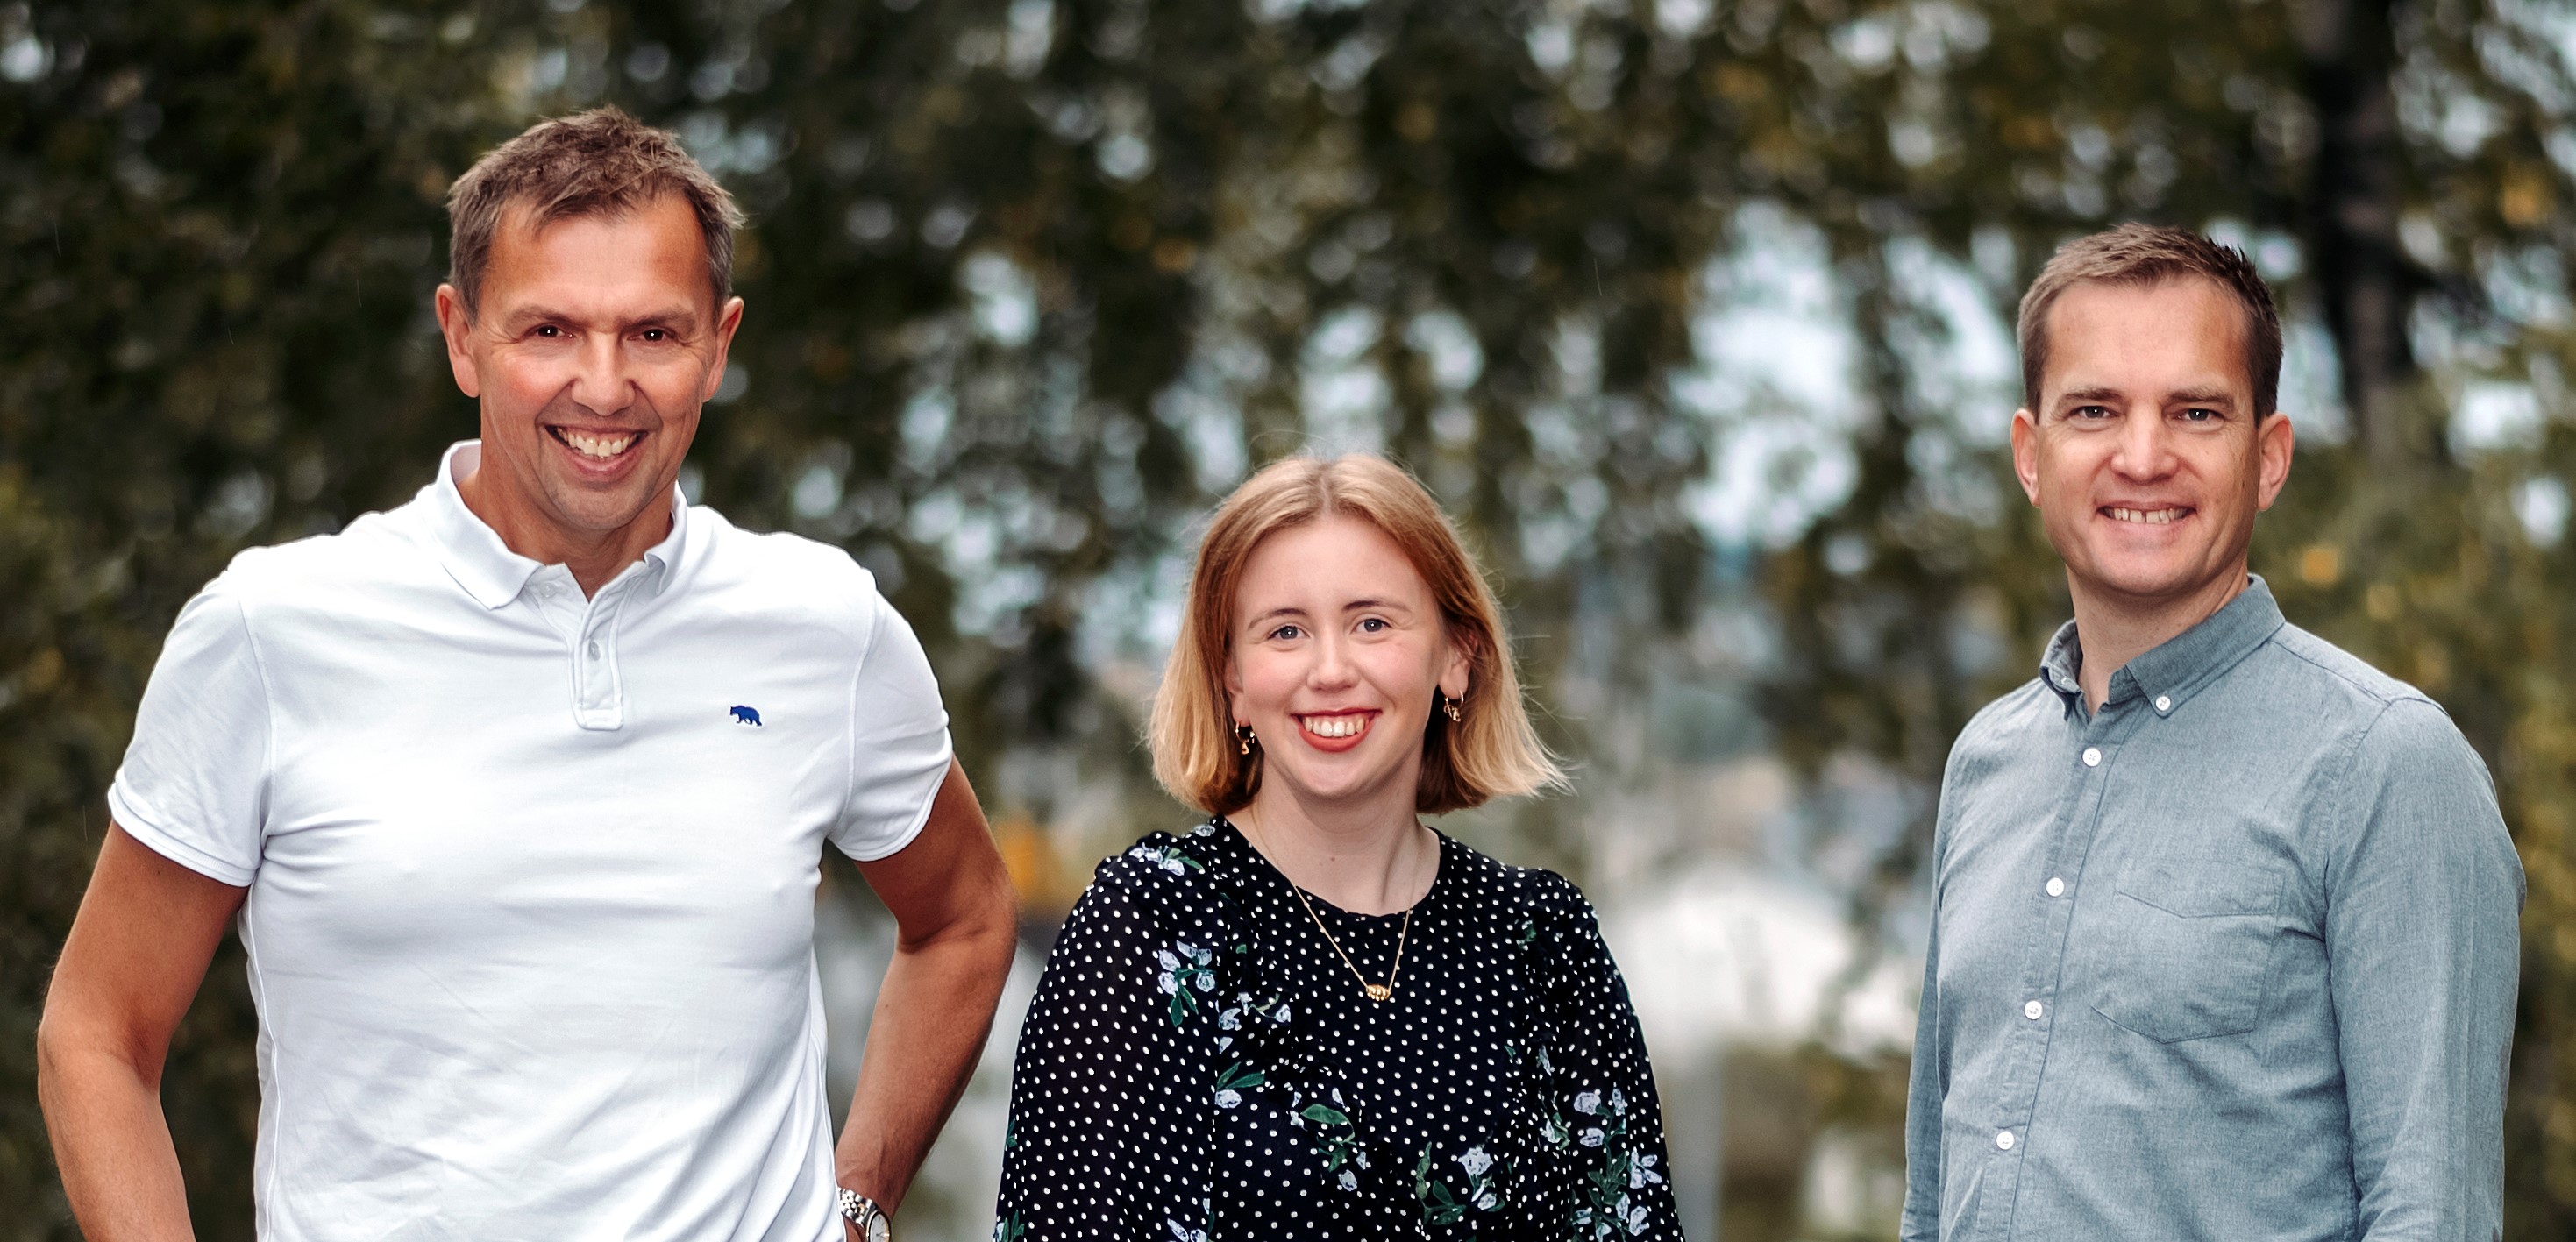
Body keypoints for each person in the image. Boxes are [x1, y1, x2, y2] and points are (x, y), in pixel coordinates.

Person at [35, 108, 1016, 1242]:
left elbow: (964, 918)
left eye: (653, 333)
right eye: (548, 330)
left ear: (719, 345)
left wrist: (856, 1206)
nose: (602, 387)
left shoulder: (823, 627)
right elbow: (96, 1034)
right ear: (461, 337)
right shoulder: (271, 631)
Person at [1901, 224, 2524, 1240]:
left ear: (2267, 458)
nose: (2142, 457)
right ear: (2029, 454)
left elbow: (2432, 1214)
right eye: (2094, 409)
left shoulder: (2385, 766)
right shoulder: (1984, 764)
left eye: (2195, 412)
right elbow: (1930, 1199)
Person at [992, 453, 1677, 1240]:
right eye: (1285, 630)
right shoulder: (1148, 929)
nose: (1329, 669)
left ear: (1456, 656)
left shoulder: (1544, 941)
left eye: (1371, 622)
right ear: (1233, 679)